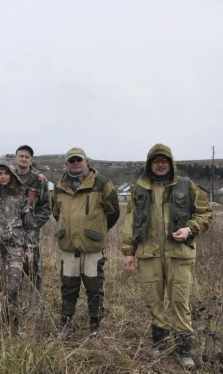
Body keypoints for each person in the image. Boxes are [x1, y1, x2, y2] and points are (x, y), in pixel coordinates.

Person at [122, 144, 213, 370]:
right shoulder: (139, 189)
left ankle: (183, 349)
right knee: (153, 301)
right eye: (156, 161)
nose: (160, 164)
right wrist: (129, 252)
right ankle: (159, 344)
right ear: (149, 164)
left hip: (179, 255)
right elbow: (131, 221)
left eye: (164, 160)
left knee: (180, 302)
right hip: (148, 254)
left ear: (171, 163)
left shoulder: (187, 185)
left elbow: (205, 213)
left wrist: (190, 229)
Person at [51, 147, 119, 337]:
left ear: (86, 161)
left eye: (78, 160)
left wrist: (97, 230)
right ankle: (66, 323)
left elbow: (113, 212)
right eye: (71, 161)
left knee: (94, 286)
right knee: (68, 286)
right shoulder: (59, 186)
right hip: (69, 245)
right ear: (66, 164)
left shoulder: (102, 183)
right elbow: (56, 212)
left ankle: (95, 324)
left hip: (92, 246)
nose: (75, 163)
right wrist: (69, 230)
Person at [0, 161, 36, 337]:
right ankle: (1, 327)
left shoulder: (20, 195)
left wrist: (30, 248)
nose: (3, 176)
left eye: (6, 173)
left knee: (13, 286)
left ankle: (14, 328)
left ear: (12, 175)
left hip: (15, 246)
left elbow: (29, 224)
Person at [13, 145, 51, 306]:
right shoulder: (8, 177)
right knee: (13, 269)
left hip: (30, 233)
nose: (23, 159)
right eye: (21, 156)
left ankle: (37, 305)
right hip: (11, 231)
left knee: (33, 267)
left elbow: (45, 208)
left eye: (27, 157)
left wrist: (32, 225)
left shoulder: (39, 179)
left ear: (31, 160)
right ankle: (14, 303)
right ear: (15, 158)